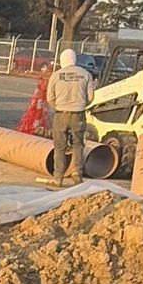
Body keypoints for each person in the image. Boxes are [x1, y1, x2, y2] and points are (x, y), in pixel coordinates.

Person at [46, 46, 94, 183]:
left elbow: (50, 98)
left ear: (62, 60)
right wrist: (81, 105)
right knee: (78, 144)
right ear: (74, 59)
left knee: (59, 147)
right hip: (78, 115)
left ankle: (58, 177)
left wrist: (58, 106)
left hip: (61, 114)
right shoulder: (86, 74)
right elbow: (91, 97)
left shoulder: (56, 75)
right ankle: (76, 173)